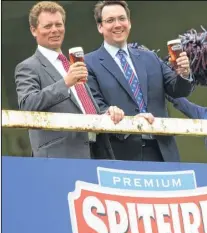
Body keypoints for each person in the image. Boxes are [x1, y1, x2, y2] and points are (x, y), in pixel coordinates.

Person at [85, 0, 195, 162]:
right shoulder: (89, 63)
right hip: (119, 153)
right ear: (100, 27)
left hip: (162, 151)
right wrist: (110, 111)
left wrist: (184, 73)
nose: (117, 24)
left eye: (122, 18)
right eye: (110, 20)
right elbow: (95, 105)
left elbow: (178, 90)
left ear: (129, 23)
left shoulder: (149, 57)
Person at [15, 1, 125, 159]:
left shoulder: (70, 63)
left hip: (95, 152)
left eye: (59, 24)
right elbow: (27, 105)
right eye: (48, 26)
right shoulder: (28, 67)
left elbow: (83, 107)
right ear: (34, 30)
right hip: (59, 156)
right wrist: (65, 82)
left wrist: (106, 113)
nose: (55, 30)